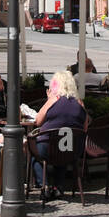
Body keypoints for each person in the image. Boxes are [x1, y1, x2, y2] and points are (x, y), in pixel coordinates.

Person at [33, 71, 88, 200]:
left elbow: (37, 121)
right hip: (73, 150)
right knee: (62, 150)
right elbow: (84, 128)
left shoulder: (54, 99)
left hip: (48, 147)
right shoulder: (80, 103)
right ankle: (59, 187)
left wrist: (48, 100)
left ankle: (44, 185)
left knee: (35, 155)